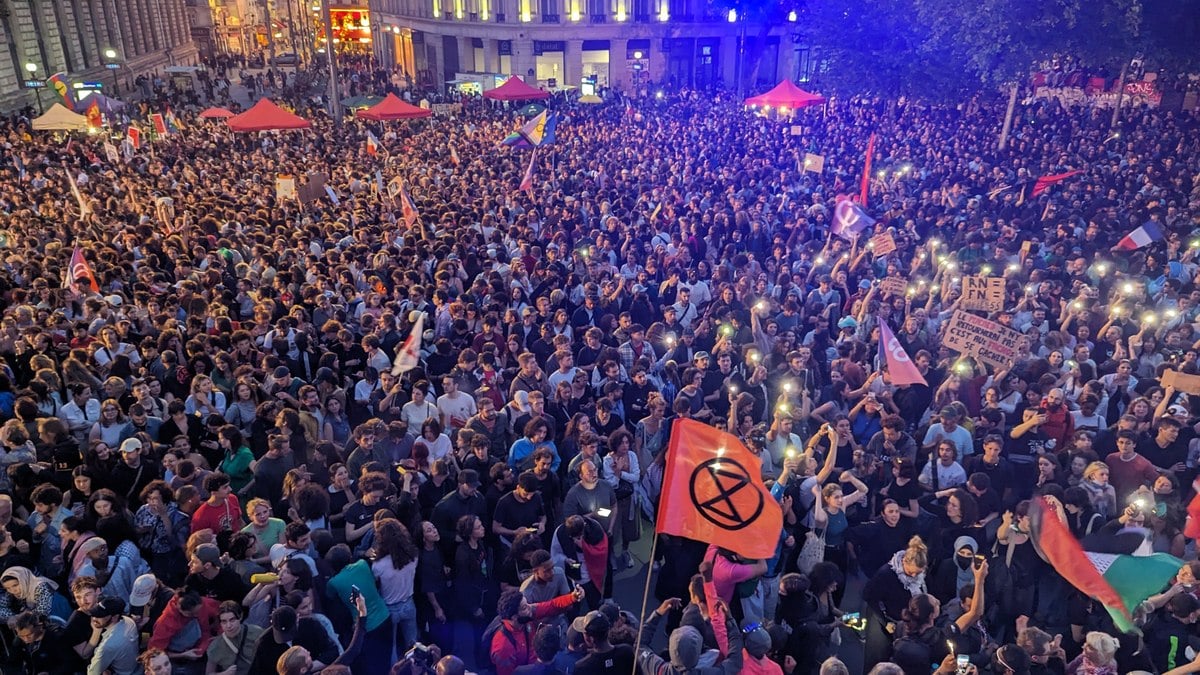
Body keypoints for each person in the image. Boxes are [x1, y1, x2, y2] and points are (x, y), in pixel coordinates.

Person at [204, 601, 264, 675]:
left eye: (232, 620)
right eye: (224, 622)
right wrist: (224, 674)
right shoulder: (215, 646)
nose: (229, 626)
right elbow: (209, 673)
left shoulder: (257, 632)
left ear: (240, 617)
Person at [85, 596, 141, 675]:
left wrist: (96, 631)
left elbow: (92, 673)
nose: (94, 618)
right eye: (95, 614)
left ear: (114, 617)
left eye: (100, 616)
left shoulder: (108, 645)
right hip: (137, 667)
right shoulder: (129, 621)